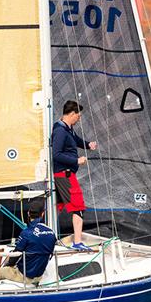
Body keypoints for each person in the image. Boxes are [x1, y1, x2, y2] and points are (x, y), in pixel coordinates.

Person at [52, 100, 97, 251]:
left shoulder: (68, 128)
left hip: (65, 175)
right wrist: (76, 160)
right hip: (65, 175)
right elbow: (56, 155)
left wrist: (88, 144)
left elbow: (75, 140)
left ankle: (47, 236)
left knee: (57, 206)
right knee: (78, 207)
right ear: (71, 114)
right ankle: (77, 242)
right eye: (78, 115)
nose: (79, 118)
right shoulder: (59, 131)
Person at [0, 200, 56, 285]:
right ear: (43, 214)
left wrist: (8, 266)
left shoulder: (26, 233)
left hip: (24, 276)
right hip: (39, 276)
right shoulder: (52, 233)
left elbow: (15, 255)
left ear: (28, 213)